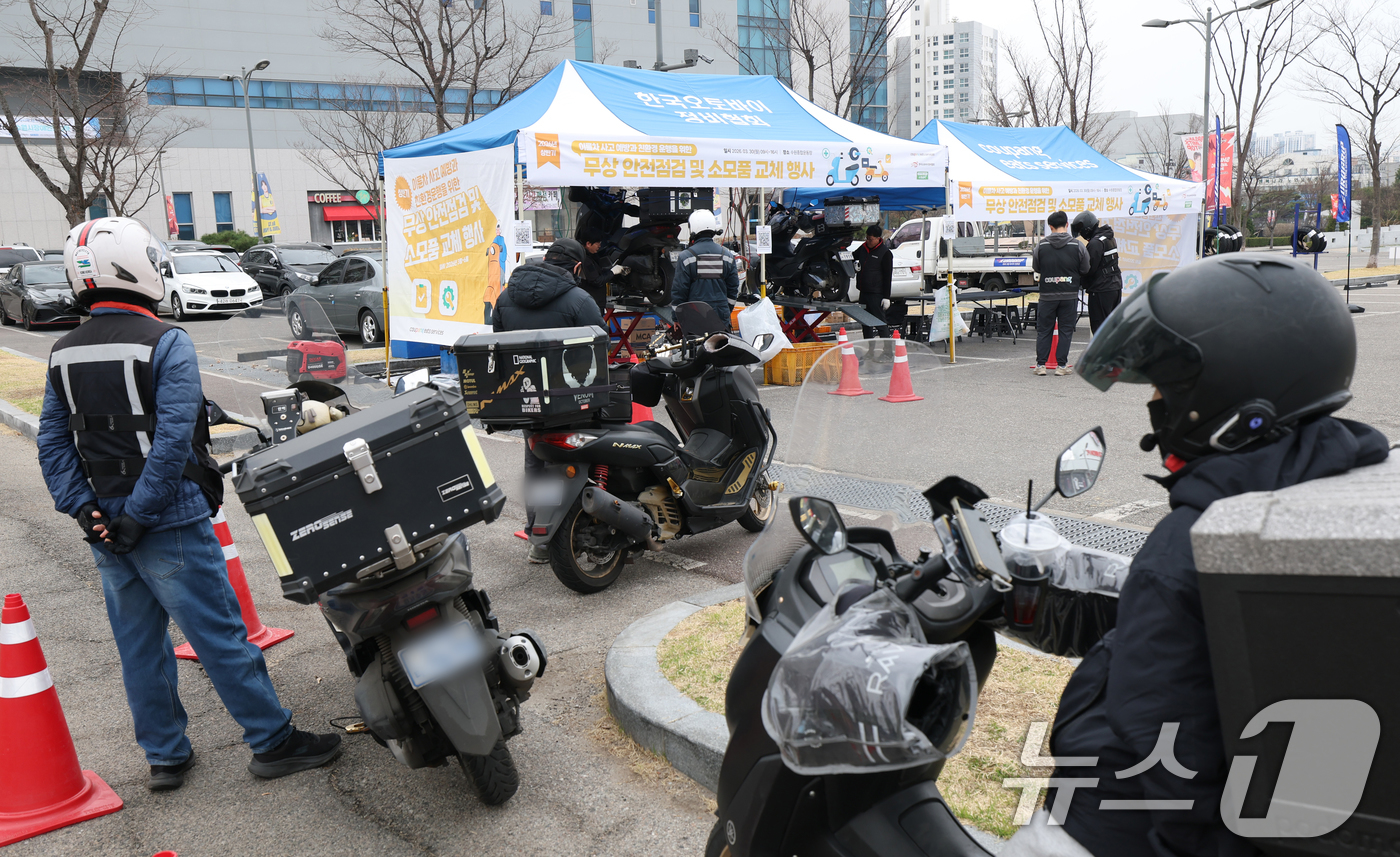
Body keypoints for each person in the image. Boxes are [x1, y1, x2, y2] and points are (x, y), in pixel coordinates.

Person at [1003, 255, 1388, 857]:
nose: (1155, 401)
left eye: (1165, 386)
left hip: (1108, 826)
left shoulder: (1193, 541)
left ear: (1229, 395)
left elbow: (1166, 747)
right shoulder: (1334, 482)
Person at [37, 217, 342, 792]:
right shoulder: (165, 341)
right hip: (166, 517)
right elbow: (175, 437)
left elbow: (54, 440)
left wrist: (84, 508)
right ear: (138, 266)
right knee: (219, 635)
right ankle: (272, 740)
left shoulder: (62, 351)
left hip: (104, 523)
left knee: (139, 646)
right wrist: (141, 514)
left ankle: (165, 755)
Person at [493, 238, 606, 563]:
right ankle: (585, 532)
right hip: (572, 398)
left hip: (526, 400)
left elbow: (499, 343)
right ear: (576, 267)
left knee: (537, 467)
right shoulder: (579, 299)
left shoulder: (505, 297)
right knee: (583, 461)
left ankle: (539, 538)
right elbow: (599, 344)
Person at [1030, 210, 1090, 376]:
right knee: (1065, 331)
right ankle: (1061, 366)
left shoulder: (1041, 246)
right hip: (1069, 295)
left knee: (1044, 330)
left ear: (1050, 227)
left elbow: (1036, 267)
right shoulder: (1077, 245)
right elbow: (1085, 268)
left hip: (1047, 295)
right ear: (1066, 225)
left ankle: (1041, 365)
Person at [672, 210, 741, 327]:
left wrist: (676, 317)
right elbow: (733, 288)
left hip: (694, 315)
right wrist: (726, 309)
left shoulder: (686, 257)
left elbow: (679, 291)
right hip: (721, 316)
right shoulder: (728, 256)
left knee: (696, 344)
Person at [1071, 210, 1123, 335]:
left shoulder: (1095, 243)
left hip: (1101, 289)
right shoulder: (1108, 238)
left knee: (1100, 328)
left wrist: (1078, 278)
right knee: (1112, 327)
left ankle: (1103, 354)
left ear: (1087, 228)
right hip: (1114, 286)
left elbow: (1088, 269)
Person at [852, 225, 894, 344]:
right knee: (865, 322)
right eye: (866, 238)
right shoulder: (864, 248)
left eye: (870, 239)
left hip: (877, 293)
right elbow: (852, 256)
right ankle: (869, 348)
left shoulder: (885, 253)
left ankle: (887, 350)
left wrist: (886, 297)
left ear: (878, 238)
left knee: (879, 322)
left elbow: (887, 276)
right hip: (864, 291)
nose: (868, 241)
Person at [577, 227, 611, 313]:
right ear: (588, 244)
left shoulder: (591, 257)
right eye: (597, 243)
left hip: (593, 302)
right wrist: (612, 272)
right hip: (592, 305)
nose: (599, 245)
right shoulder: (586, 260)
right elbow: (596, 281)